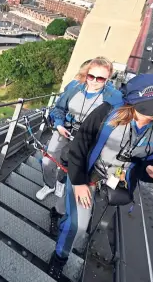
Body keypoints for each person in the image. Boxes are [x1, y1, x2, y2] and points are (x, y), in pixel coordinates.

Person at [47, 73, 153, 280]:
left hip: (117, 179)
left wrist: (150, 171)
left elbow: (146, 164)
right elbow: (79, 147)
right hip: (87, 173)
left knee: (74, 211)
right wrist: (79, 182)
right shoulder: (107, 113)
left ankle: (57, 213)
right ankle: (58, 259)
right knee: (78, 226)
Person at [36, 57, 122, 203]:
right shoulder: (74, 88)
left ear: (108, 78)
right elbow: (59, 109)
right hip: (64, 130)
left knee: (68, 163)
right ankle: (49, 184)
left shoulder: (113, 97)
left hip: (87, 138)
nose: (94, 81)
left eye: (100, 78)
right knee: (47, 161)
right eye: (91, 76)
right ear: (86, 73)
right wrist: (58, 124)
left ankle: (61, 182)